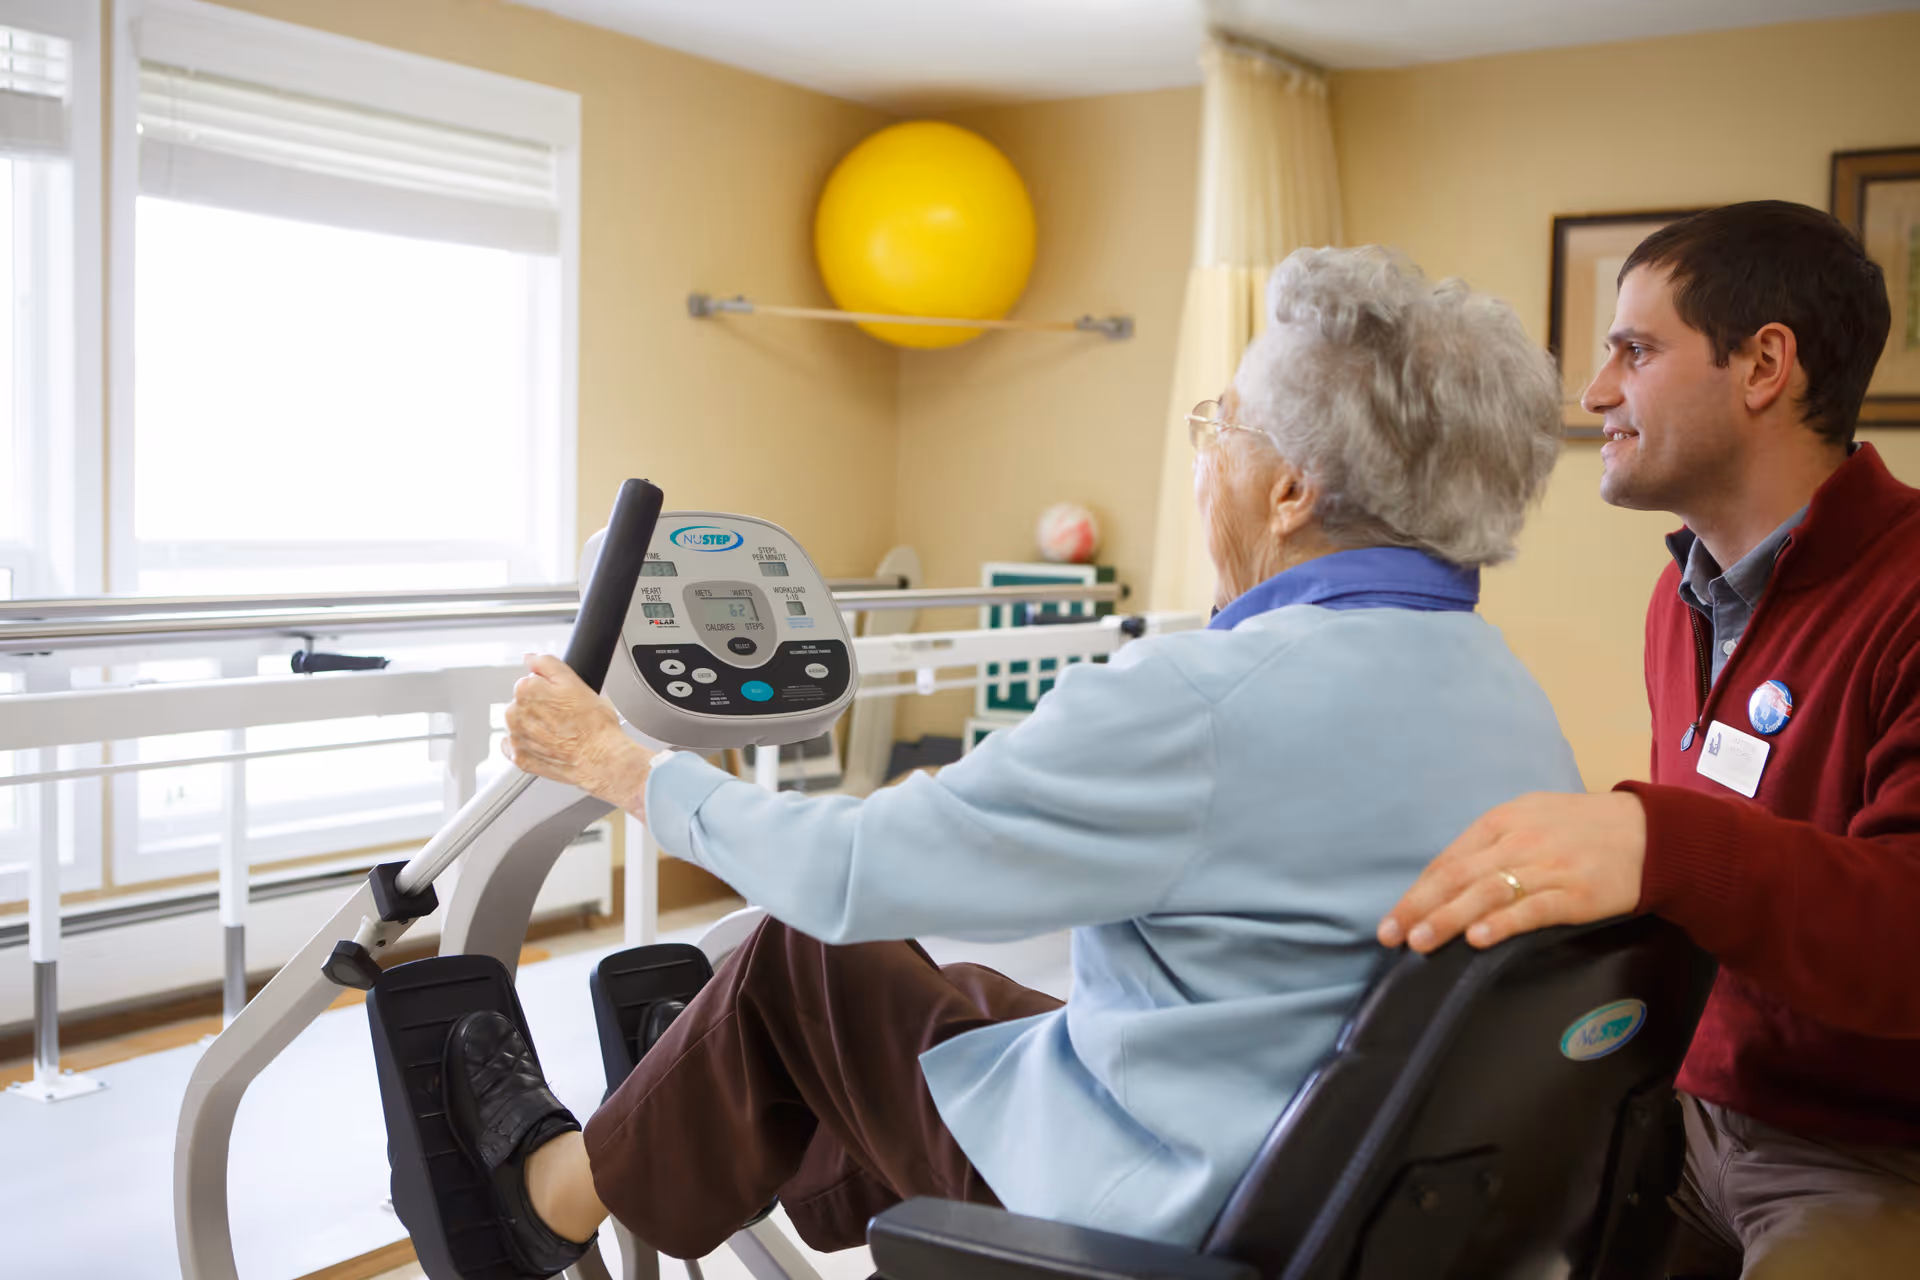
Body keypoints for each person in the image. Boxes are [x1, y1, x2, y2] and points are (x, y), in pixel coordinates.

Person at [444, 246, 1581, 1277]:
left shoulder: (1203, 699)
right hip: (1358, 1179)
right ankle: (727, 1090)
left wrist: (621, 762)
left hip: (1171, 1215)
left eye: (1220, 429)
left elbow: (848, 871)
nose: (1204, 466)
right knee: (969, 1004)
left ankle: (555, 1196)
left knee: (805, 951)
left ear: (1291, 491)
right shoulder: (1510, 693)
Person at [1376, 201, 1920, 1275]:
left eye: (1634, 348)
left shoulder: (1907, 597)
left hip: (1865, 1150)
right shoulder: (1681, 602)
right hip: (1675, 1108)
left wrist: (1658, 841)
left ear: (1765, 364)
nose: (1596, 392)